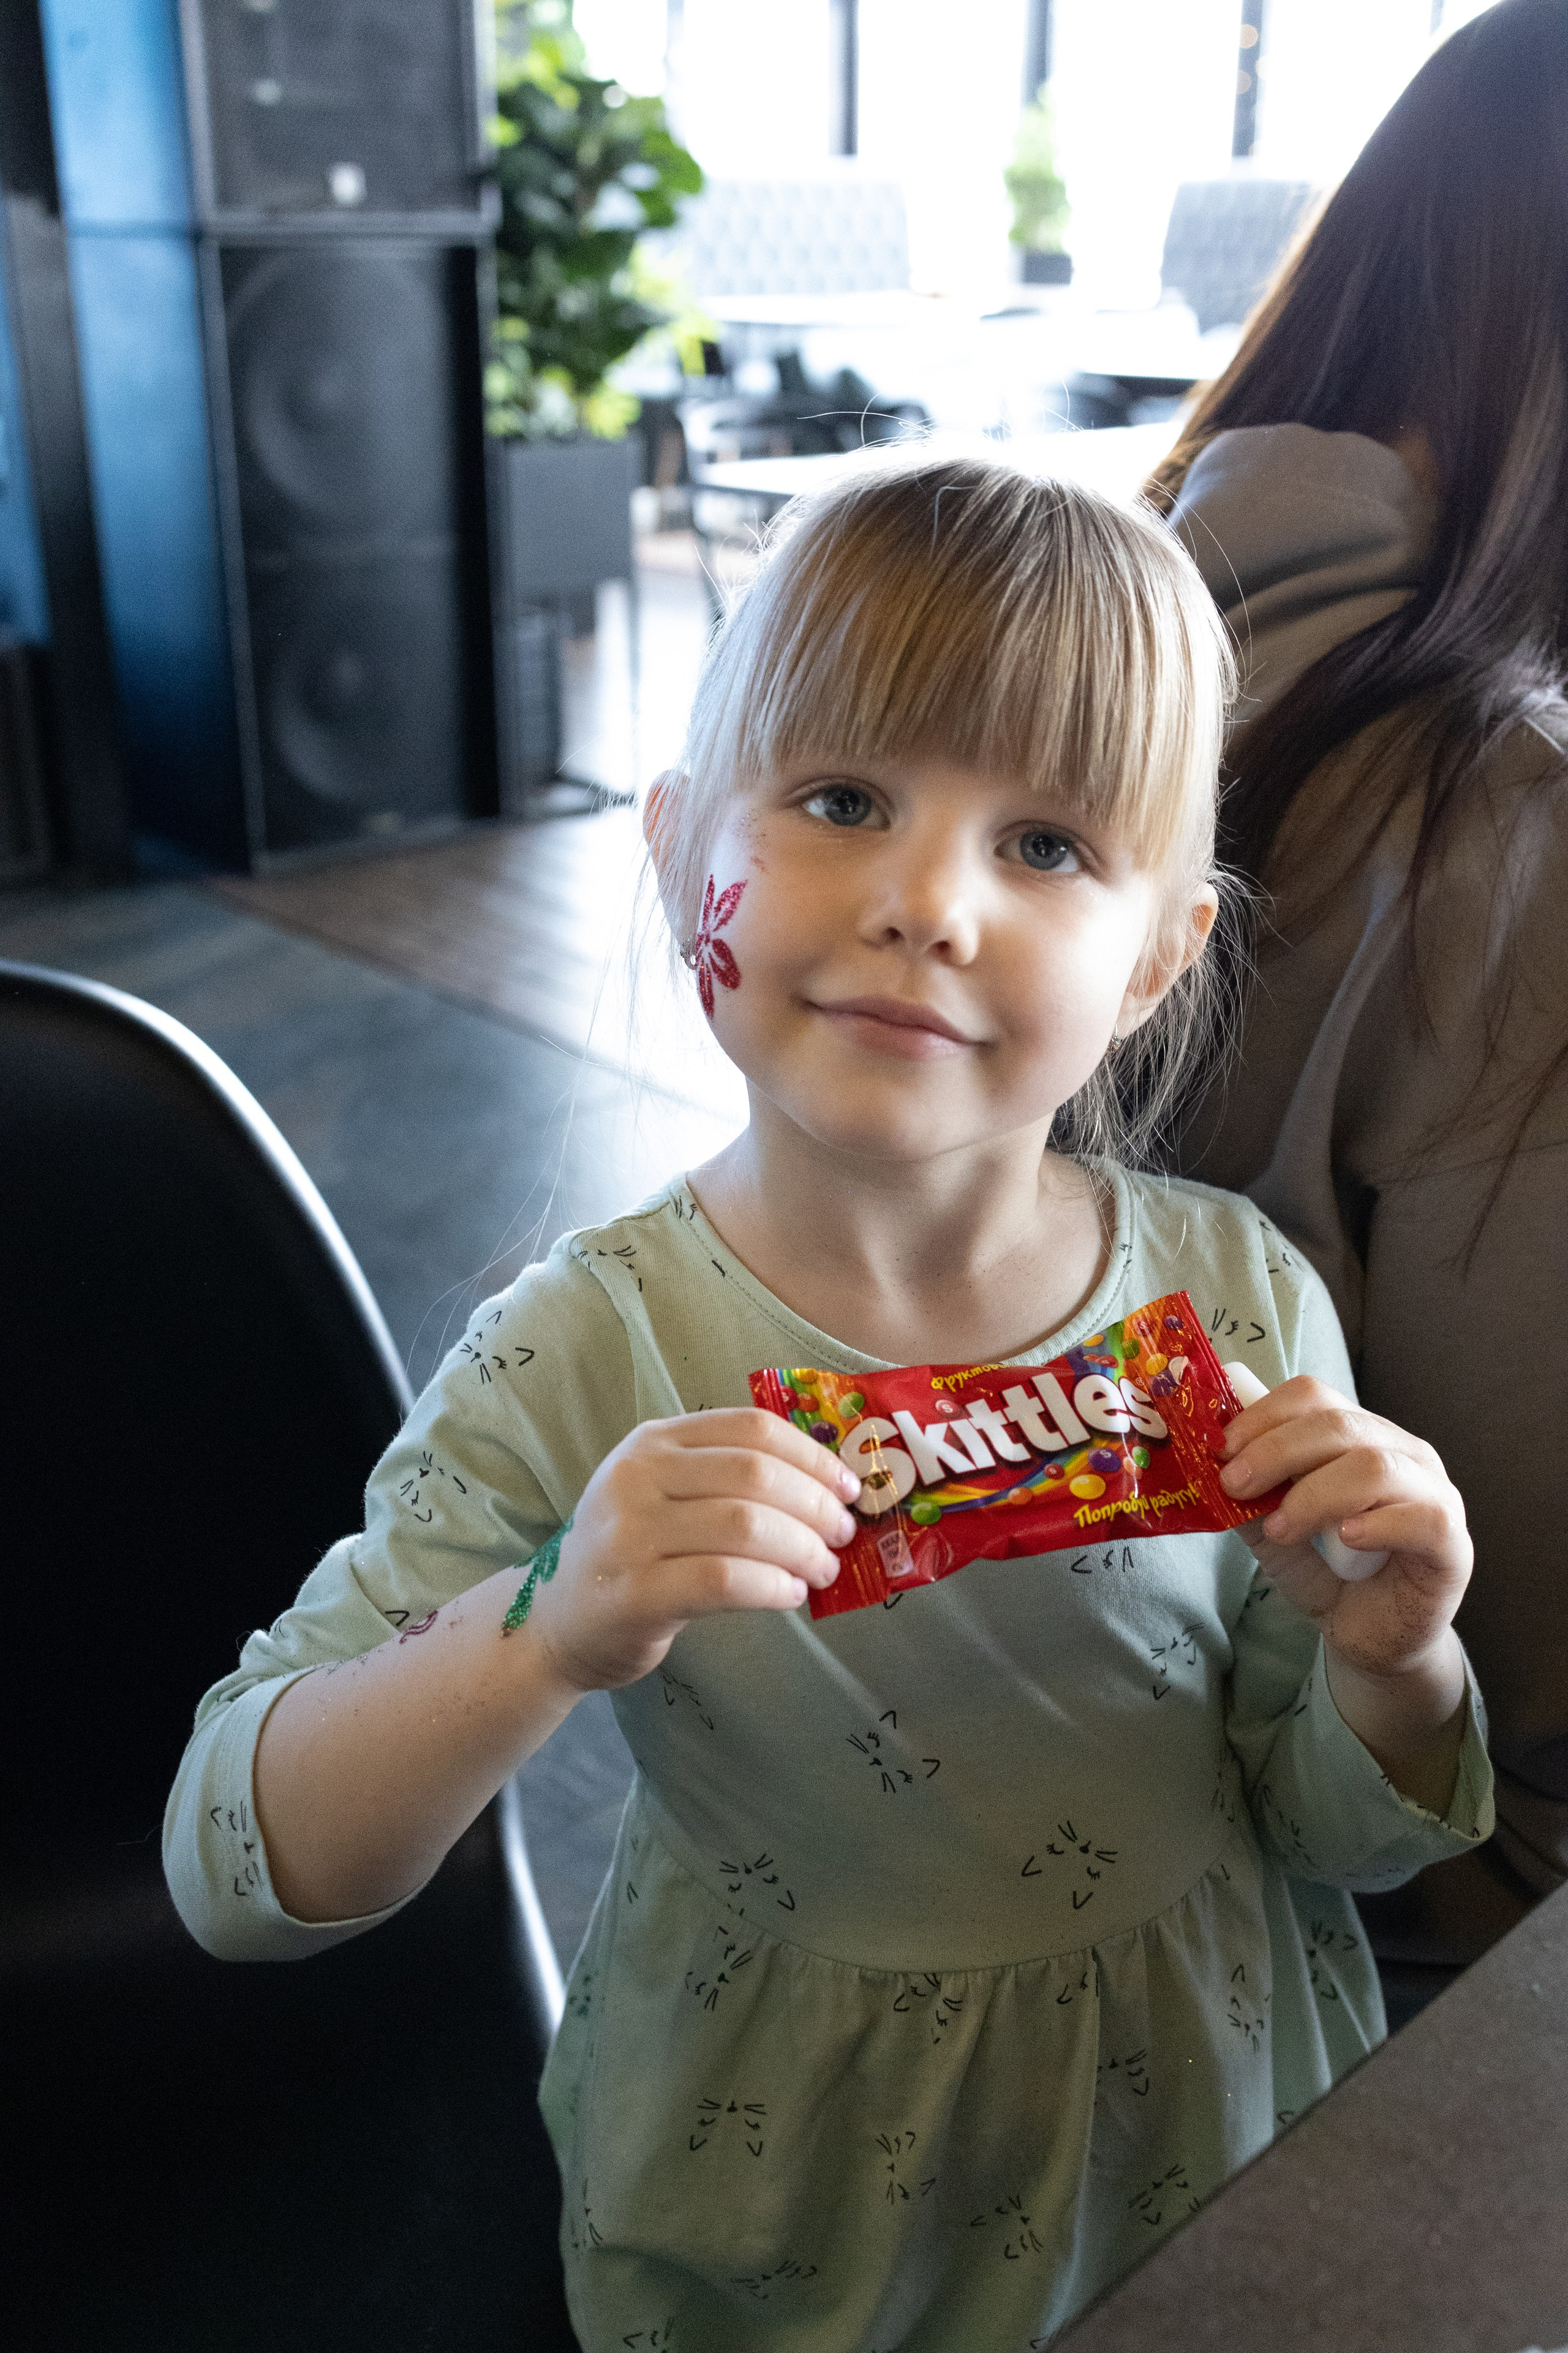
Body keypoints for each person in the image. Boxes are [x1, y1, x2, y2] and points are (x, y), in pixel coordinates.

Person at [165, 458, 1491, 2351]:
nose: (927, 904)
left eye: (1047, 845)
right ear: (675, 846)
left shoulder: (1241, 1303)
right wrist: (547, 1622)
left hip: (1200, 2124)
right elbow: (234, 1859)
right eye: (843, 799)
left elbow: (1348, 1829)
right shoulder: (583, 1352)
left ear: (1159, 958)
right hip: (774, 2192)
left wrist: (1394, 1655)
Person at [1145, 0, 1568, 1987]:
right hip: (1398, 1902)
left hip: (1041, 1772)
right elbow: (1533, 1644)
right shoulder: (1518, 813)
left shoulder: (1105, 630)